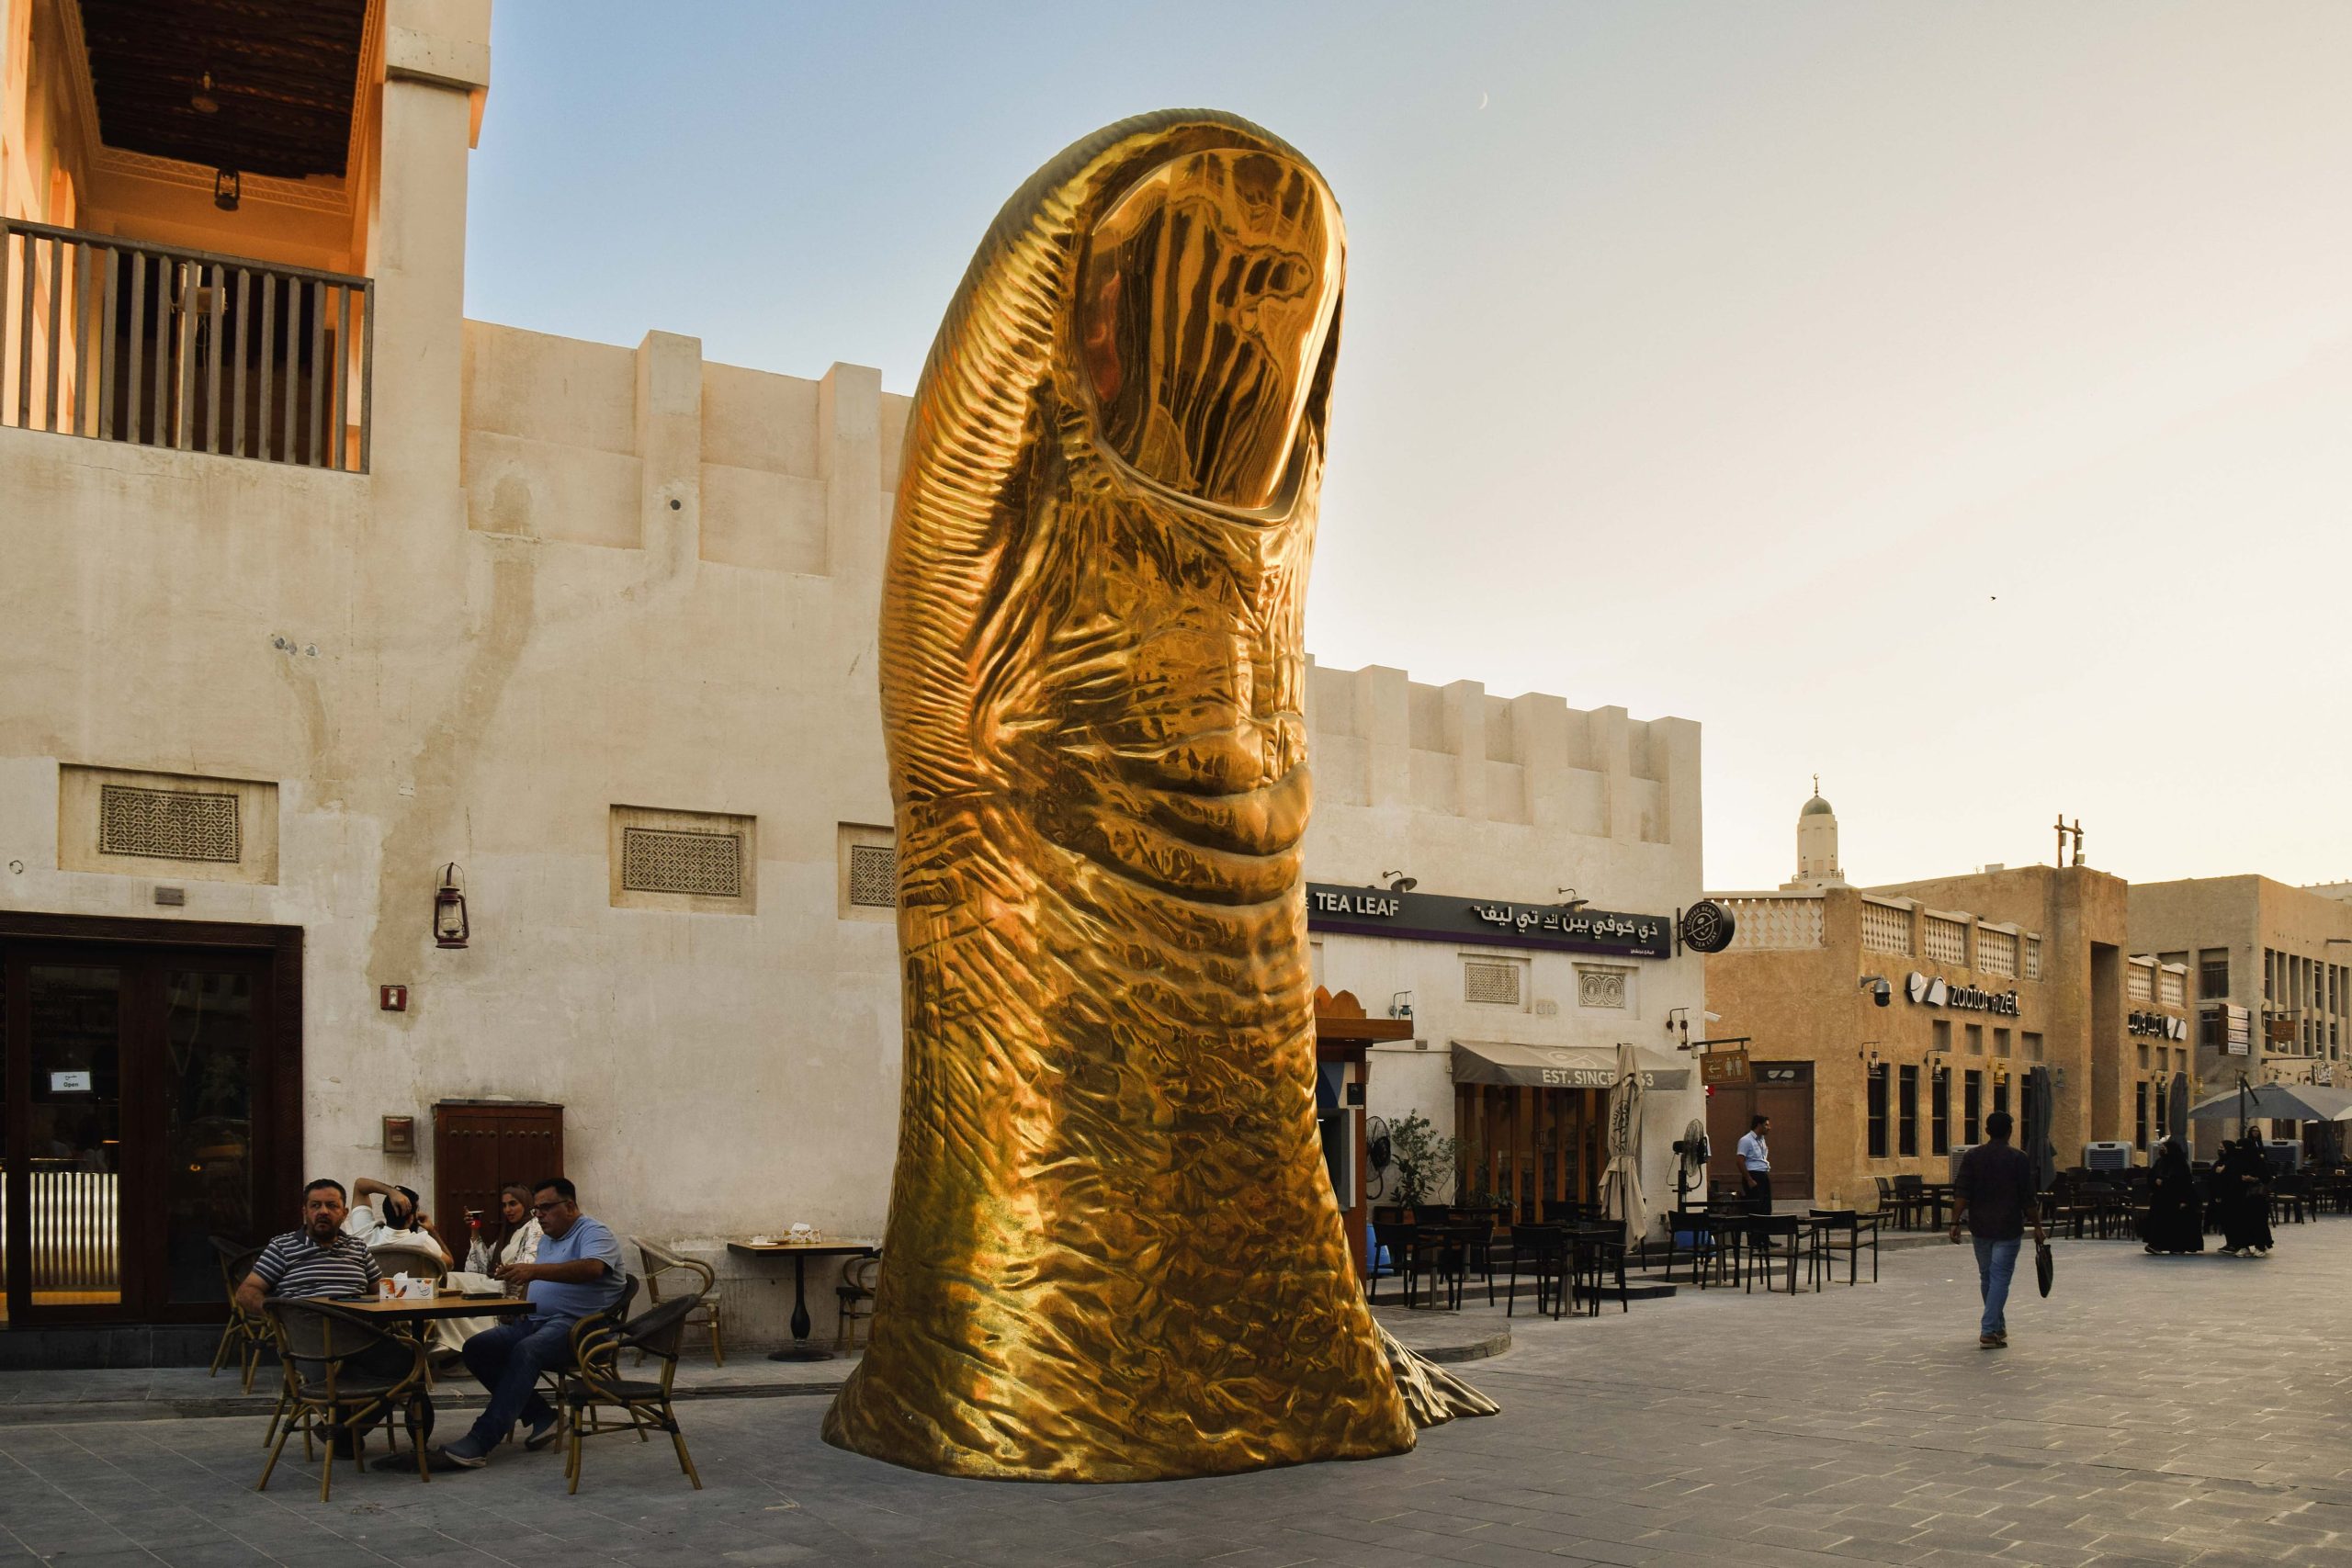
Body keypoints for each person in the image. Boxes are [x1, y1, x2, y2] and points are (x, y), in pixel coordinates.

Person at [434, 1177, 627, 1469]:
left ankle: (480, 1441)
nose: (539, 1215)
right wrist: (520, 1302)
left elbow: (592, 1268)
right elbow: (539, 1279)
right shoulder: (548, 1239)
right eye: (537, 1209)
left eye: (546, 1208)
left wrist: (534, 1271)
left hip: (579, 1328)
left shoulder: (594, 1232)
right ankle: (543, 1416)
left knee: (527, 1350)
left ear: (570, 1206)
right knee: (475, 1347)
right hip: (536, 1321)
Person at [235, 1179, 403, 1457]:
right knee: (361, 1374)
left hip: (361, 1340)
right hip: (312, 1346)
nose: (323, 1211)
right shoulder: (283, 1247)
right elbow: (246, 1292)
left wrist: (418, 1290)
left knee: (410, 1362)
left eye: (331, 1205)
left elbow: (383, 1293)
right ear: (304, 1211)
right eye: (315, 1206)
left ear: (344, 1212)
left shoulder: (358, 1249)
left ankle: (344, 1430)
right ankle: (346, 1430)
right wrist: (280, 1316)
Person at [1949, 1111, 2044, 1348]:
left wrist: (1954, 1222)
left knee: (1987, 1276)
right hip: (2008, 1226)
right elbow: (2027, 1198)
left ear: (1987, 1131)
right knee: (2000, 1277)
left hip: (1980, 1226)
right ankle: (1989, 1330)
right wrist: (2038, 1227)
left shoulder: (1973, 1157)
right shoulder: (2018, 1158)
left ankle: (1998, 1326)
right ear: (2010, 1132)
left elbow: (1962, 1192)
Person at [346, 1176, 451, 1263]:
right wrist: (432, 1230)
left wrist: (390, 1192)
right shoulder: (424, 1242)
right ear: (411, 1219)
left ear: (385, 1211)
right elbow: (449, 1264)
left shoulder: (364, 1235)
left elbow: (360, 1185)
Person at [2138, 1136, 2204, 1255]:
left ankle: (2177, 1246)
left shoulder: (2180, 1164)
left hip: (2175, 1199)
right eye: (2162, 1148)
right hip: (2160, 1198)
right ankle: (2156, 1245)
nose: (2162, 1150)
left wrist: (2183, 1199)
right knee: (2159, 1223)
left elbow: (2184, 1183)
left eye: (2164, 1148)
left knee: (2175, 1224)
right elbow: (2151, 1176)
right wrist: (2155, 1181)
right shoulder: (2160, 1162)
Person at [463, 1184, 544, 1280]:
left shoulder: (535, 1227)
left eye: (512, 1204)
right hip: (497, 1285)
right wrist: (474, 1228)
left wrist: (505, 1270)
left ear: (525, 1203)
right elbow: (482, 1264)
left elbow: (527, 1266)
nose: (507, 1210)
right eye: (504, 1205)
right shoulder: (507, 1232)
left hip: (514, 1288)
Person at [2214, 1131, 2275, 1258]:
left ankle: (2260, 1246)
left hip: (2256, 1198)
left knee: (2258, 1222)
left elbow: (2266, 1177)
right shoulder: (2235, 1161)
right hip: (2238, 1197)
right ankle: (2243, 1246)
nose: (2239, 1150)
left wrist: (2252, 1179)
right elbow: (2229, 1176)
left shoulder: (2258, 1161)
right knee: (2241, 1222)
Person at [1736, 1114, 1772, 1210]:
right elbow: (1740, 1161)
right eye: (1766, 1125)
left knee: (1766, 1206)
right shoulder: (1746, 1140)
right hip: (1753, 1175)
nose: (1769, 1128)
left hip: (1763, 1174)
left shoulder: (1762, 1140)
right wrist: (1749, 1179)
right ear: (1759, 1125)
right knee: (1756, 1206)